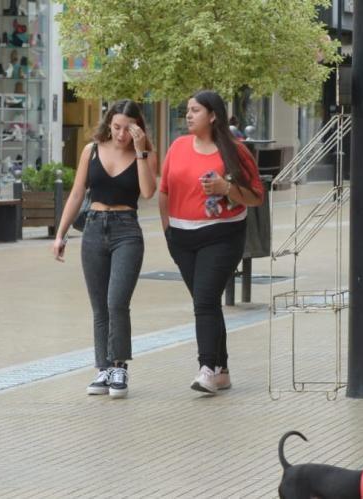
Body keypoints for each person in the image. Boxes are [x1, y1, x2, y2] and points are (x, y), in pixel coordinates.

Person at [159, 90, 264, 395]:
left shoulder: (235, 151)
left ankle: (207, 368)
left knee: (204, 302)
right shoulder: (177, 147)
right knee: (207, 304)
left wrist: (225, 187)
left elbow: (256, 196)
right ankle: (223, 371)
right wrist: (168, 231)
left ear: (213, 115)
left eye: (195, 111)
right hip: (181, 238)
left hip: (222, 236)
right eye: (187, 110)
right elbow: (164, 190)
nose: (188, 115)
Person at [53, 100, 156, 399]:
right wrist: (60, 234)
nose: (121, 134)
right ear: (108, 124)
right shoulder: (91, 150)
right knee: (99, 306)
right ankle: (103, 367)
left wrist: (140, 151)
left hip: (127, 230)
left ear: (138, 127)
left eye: (128, 128)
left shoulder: (144, 152)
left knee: (116, 302)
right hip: (94, 229)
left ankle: (120, 365)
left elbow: (148, 191)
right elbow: (76, 193)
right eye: (116, 127)